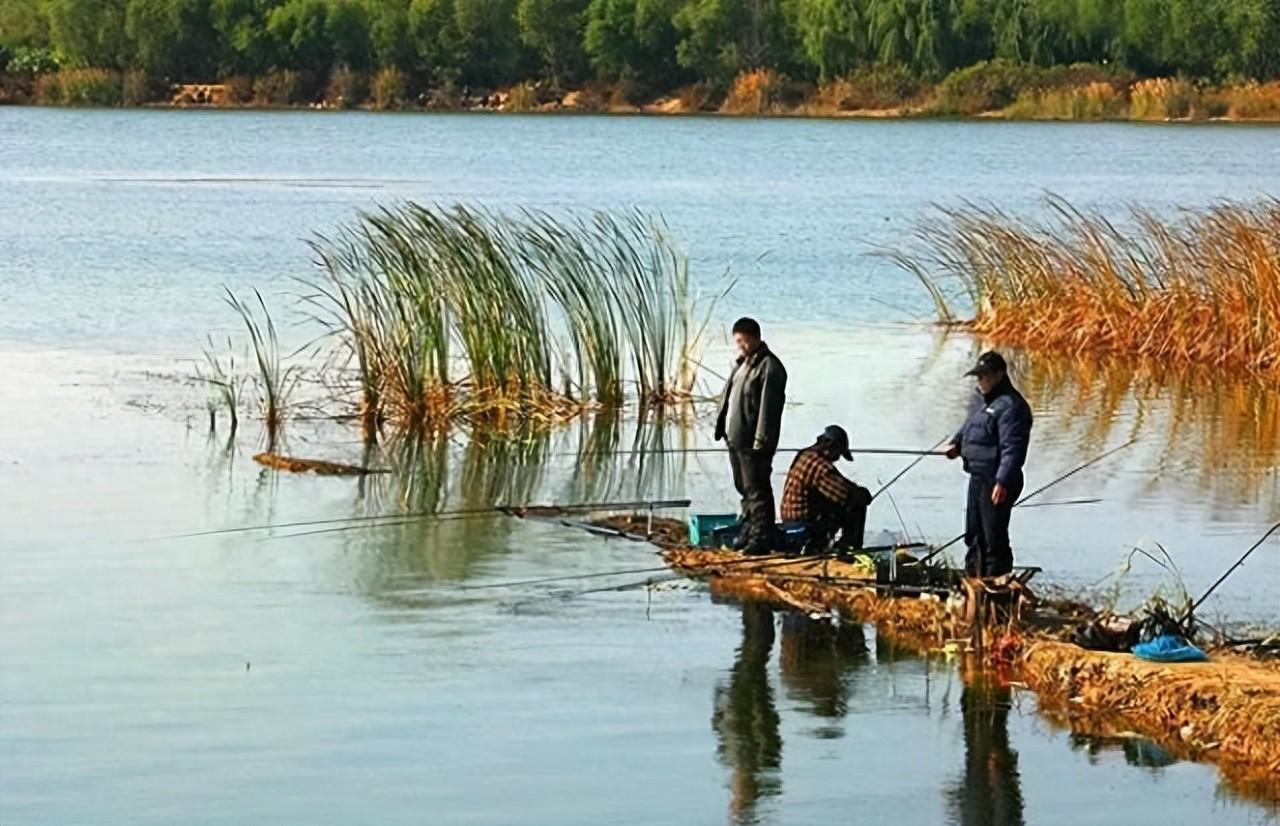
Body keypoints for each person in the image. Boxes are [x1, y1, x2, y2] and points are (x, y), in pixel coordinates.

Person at [946, 351, 1033, 578]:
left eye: (983, 376)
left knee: (993, 537)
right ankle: (974, 580)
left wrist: (1002, 481)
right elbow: (970, 427)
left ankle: (997, 584)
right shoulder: (983, 402)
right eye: (978, 376)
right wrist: (956, 443)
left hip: (997, 481)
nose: (980, 381)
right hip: (978, 477)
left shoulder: (1012, 407)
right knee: (974, 535)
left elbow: (1012, 449)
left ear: (999, 375)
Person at [714, 317, 787, 555]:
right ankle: (748, 530)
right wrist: (721, 427)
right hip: (735, 439)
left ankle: (761, 538)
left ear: (756, 338)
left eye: (744, 341)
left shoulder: (770, 367)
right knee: (743, 487)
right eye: (737, 341)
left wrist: (761, 443)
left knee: (757, 490)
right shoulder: (742, 364)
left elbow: (768, 410)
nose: (741, 346)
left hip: (753, 443)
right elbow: (729, 397)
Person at [780, 425, 872, 554]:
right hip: (803, 522)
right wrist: (863, 495)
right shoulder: (820, 466)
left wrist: (854, 489)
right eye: (838, 453)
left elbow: (838, 482)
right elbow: (845, 494)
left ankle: (830, 546)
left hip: (790, 519)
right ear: (831, 448)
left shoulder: (806, 454)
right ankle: (849, 549)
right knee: (856, 506)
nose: (837, 458)